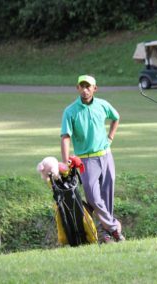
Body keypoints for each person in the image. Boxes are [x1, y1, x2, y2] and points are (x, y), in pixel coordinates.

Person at [60, 74, 125, 244]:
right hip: (85, 161)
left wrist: (110, 137)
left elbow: (116, 117)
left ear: (95, 88)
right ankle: (114, 228)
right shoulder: (70, 110)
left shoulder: (103, 105)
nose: (85, 89)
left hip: (106, 156)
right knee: (94, 199)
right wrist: (66, 160)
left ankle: (107, 234)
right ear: (77, 88)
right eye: (82, 86)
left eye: (88, 86)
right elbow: (65, 136)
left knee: (107, 197)